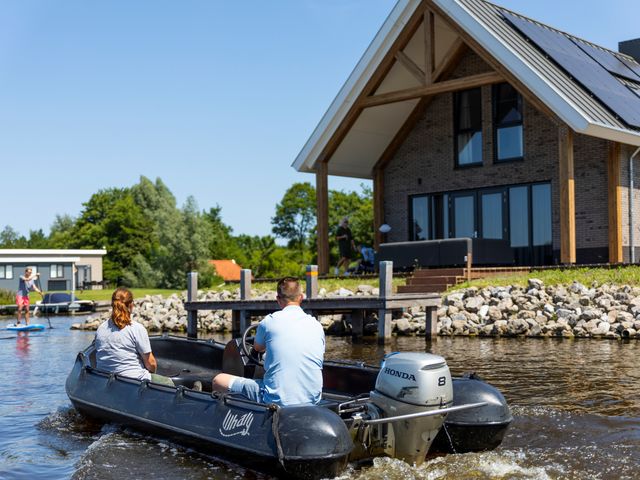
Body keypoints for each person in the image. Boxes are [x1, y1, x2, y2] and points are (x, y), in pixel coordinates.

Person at [212, 277, 325, 406]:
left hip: (275, 399)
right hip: (313, 399)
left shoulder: (269, 322)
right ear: (301, 297)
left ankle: (233, 416)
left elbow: (258, 348)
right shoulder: (316, 325)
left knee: (218, 380)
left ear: (278, 299)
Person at [95, 287, 175, 386]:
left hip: (105, 379)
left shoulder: (101, 329)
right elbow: (151, 363)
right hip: (134, 381)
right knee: (169, 383)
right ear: (131, 305)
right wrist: (152, 374)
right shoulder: (136, 329)